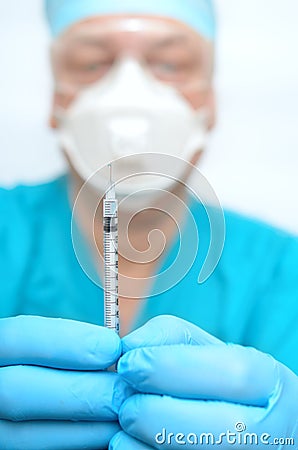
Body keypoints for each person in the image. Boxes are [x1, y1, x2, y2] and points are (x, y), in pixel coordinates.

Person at [0, 1, 297, 449]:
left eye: (170, 64)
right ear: (56, 99)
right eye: (92, 63)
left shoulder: (279, 270)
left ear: (210, 103)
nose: (129, 95)